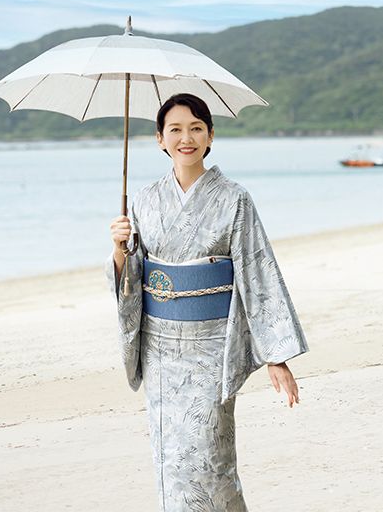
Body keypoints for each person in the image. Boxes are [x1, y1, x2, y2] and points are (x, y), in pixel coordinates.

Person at [108, 92, 308, 511]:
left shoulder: (233, 198)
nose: (186, 138)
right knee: (169, 458)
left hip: (210, 347)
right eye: (175, 129)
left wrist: (277, 355)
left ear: (211, 135)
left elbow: (258, 272)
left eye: (196, 128)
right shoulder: (143, 200)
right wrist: (120, 250)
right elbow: (134, 278)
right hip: (160, 346)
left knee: (211, 455)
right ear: (159, 138)